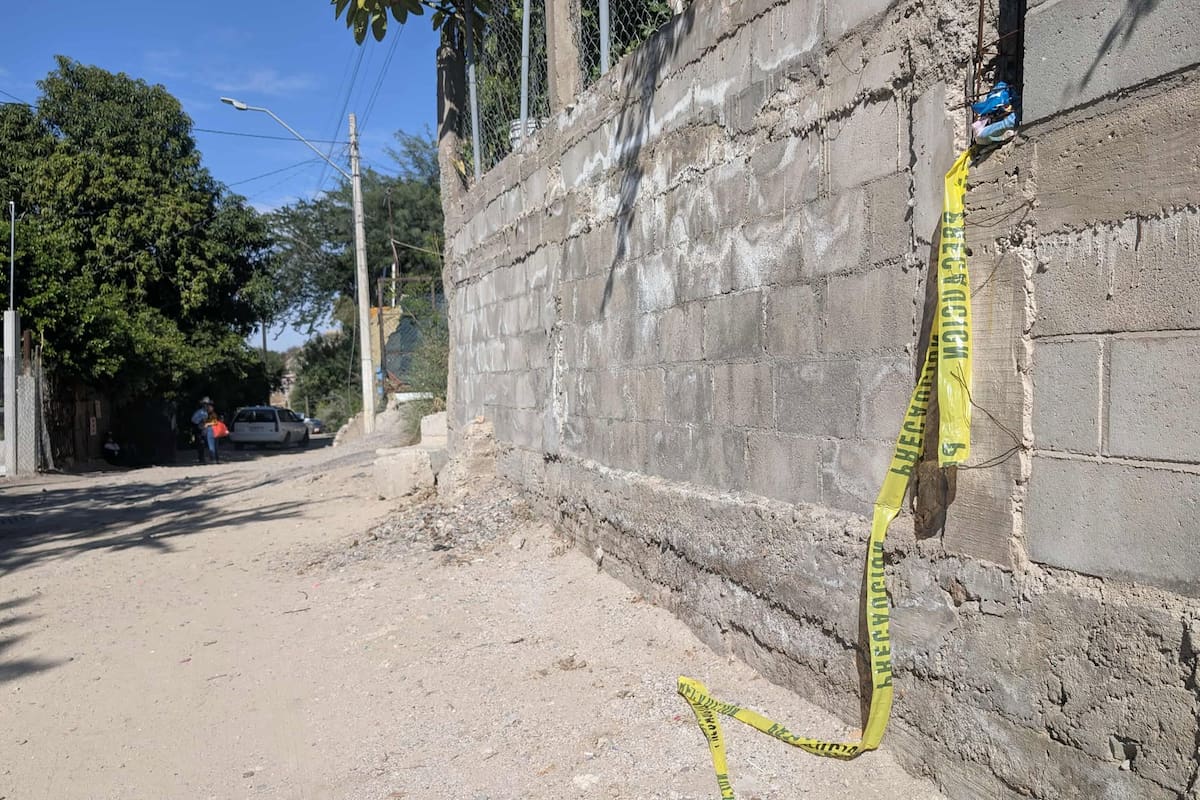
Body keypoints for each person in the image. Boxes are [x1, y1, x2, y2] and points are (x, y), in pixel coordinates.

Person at [190, 396, 211, 464]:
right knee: (201, 444)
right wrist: (199, 421)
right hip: (199, 429)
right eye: (206, 404)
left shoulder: (206, 413)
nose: (207, 406)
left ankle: (202, 458)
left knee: (203, 444)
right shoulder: (199, 412)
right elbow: (193, 419)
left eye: (207, 404)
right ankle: (201, 458)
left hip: (203, 429)